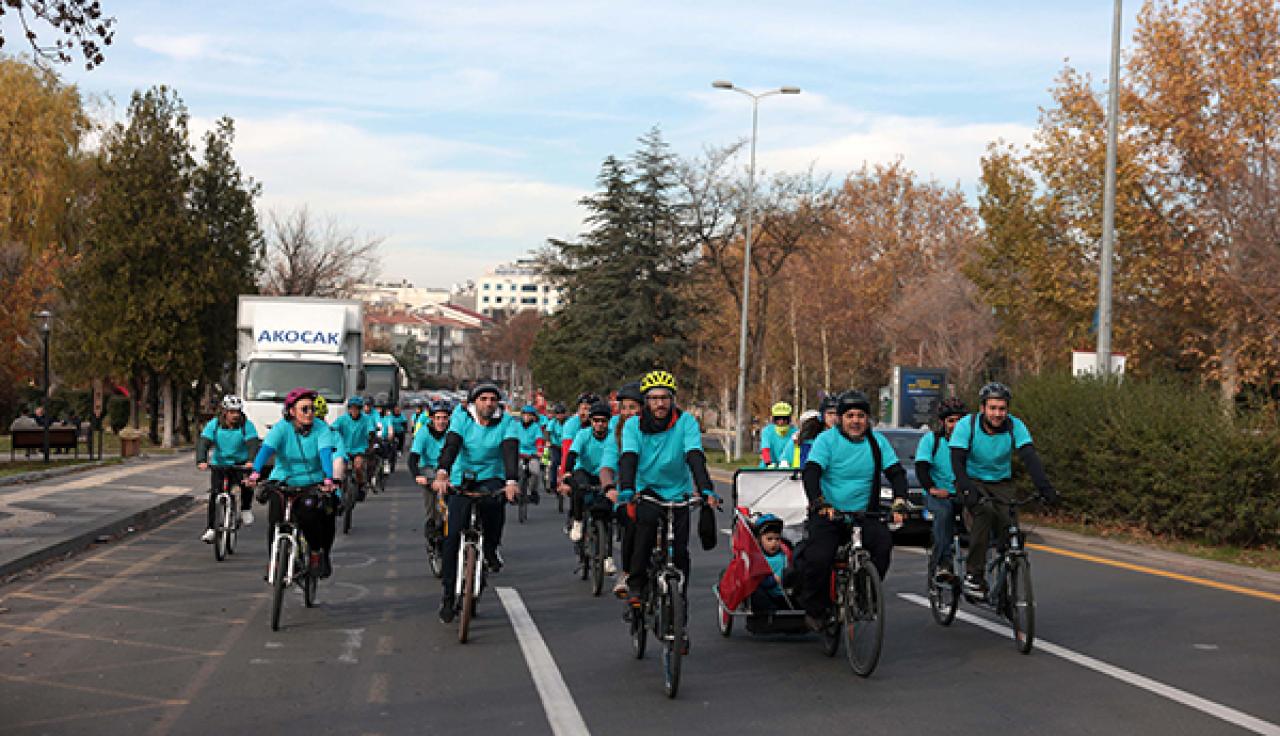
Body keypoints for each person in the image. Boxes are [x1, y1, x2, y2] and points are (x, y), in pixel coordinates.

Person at [614, 370, 720, 652]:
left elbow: (695, 455)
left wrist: (706, 488)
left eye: (665, 398)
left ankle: (678, 611)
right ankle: (636, 583)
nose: (660, 404)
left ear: (672, 400)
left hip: (678, 491)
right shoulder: (634, 426)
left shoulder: (685, 422)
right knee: (646, 525)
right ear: (645, 401)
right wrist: (626, 488)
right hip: (646, 488)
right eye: (653, 399)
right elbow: (628, 458)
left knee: (680, 552)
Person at [795, 390, 907, 630]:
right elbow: (812, 472)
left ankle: (867, 595)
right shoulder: (827, 440)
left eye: (861, 416)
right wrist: (819, 503)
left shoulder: (877, 443)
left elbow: (896, 473)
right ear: (840, 419)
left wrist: (900, 501)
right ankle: (816, 609)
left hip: (864, 513)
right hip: (830, 513)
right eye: (850, 416)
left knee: (882, 545)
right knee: (819, 557)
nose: (856, 421)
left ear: (868, 419)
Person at [950, 382, 1058, 598]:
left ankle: (1007, 586)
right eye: (992, 408)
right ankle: (974, 575)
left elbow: (1029, 457)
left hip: (1001, 482)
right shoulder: (966, 425)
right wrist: (967, 489)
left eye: (1002, 409)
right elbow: (957, 461)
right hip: (972, 480)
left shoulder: (1015, 426)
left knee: (1011, 530)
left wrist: (1046, 489)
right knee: (984, 511)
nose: (997, 414)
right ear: (982, 408)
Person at [430, 383, 520, 623]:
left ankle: (490, 548)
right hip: (461, 477)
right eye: (483, 399)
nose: (488, 403)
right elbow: (451, 447)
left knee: (494, 505)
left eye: (493, 399)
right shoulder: (462, 419)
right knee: (452, 538)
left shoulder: (507, 422)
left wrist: (511, 481)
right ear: (473, 402)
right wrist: (442, 474)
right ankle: (448, 596)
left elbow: (510, 451)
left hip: (492, 476)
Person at [245, 388, 339, 578]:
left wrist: (328, 478)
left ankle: (314, 554)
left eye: (312, 409)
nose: (310, 413)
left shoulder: (321, 428)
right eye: (304, 409)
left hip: (311, 482)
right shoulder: (281, 428)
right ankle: (276, 561)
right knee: (275, 519)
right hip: (282, 480)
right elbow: (266, 450)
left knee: (309, 516)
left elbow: (325, 453)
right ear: (291, 411)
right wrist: (255, 473)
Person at [915, 397, 967, 583]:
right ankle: (943, 563)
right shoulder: (931, 440)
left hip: (962, 493)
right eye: (951, 420)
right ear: (943, 422)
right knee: (944, 513)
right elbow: (921, 467)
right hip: (938, 494)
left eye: (959, 420)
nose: (955, 425)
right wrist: (932, 489)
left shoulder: (970, 442)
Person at [196, 395, 261, 543]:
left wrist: (251, 460)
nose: (235, 415)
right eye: (232, 412)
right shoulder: (214, 424)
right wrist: (201, 460)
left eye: (237, 412)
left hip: (240, 463)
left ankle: (245, 509)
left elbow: (252, 443)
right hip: (220, 463)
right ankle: (211, 528)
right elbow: (204, 442)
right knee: (215, 494)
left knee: (246, 485)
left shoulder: (246, 425)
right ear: (224, 411)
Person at [560, 401, 618, 555]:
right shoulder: (583, 434)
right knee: (579, 488)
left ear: (608, 422)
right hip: (584, 470)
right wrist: (566, 472)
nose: (599, 424)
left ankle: (607, 554)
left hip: (604, 474)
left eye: (603, 421)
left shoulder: (614, 436)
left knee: (607, 511)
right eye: (596, 420)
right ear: (591, 421)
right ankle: (578, 521)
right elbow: (572, 454)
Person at [610, 381, 644, 595]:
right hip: (629, 492)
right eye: (625, 408)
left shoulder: (654, 428)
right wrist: (609, 486)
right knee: (632, 524)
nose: (629, 412)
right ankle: (627, 573)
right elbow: (609, 461)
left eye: (633, 407)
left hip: (658, 491)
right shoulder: (617, 431)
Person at [410, 400, 452, 539]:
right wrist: (417, 476)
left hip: (449, 469)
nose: (441, 422)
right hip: (429, 469)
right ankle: (431, 523)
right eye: (438, 418)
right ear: (432, 419)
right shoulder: (423, 433)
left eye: (445, 418)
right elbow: (413, 458)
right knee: (432, 501)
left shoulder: (453, 433)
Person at [329, 396, 379, 494]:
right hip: (344, 449)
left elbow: (371, 431)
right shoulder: (342, 419)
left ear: (360, 409)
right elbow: (333, 428)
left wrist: (371, 443)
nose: (354, 410)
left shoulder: (366, 419)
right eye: (352, 408)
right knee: (339, 469)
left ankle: (361, 486)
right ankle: (338, 491)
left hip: (359, 448)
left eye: (357, 408)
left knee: (358, 467)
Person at [748, 514, 793, 615]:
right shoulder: (758, 558)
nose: (774, 543)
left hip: (783, 595)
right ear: (759, 539)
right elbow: (757, 579)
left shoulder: (784, 555)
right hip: (767, 595)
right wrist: (773, 580)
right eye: (769, 539)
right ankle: (769, 612)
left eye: (777, 539)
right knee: (755, 589)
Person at [513, 404, 546, 505]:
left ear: (533, 416)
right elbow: (512, 438)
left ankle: (533, 491)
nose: (526, 417)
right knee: (514, 471)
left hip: (532, 454)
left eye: (529, 415)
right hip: (518, 453)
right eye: (525, 414)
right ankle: (515, 492)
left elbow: (539, 440)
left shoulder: (536, 427)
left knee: (535, 471)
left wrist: (539, 451)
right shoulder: (516, 426)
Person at [760, 402, 796, 468]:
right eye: (778, 418)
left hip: (788, 468)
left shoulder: (795, 432)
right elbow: (765, 449)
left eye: (785, 418)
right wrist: (768, 463)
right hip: (768, 467)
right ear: (774, 419)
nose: (781, 421)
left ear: (789, 419)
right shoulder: (767, 431)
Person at [545, 402, 568, 486]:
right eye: (558, 414)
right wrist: (548, 441)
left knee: (567, 463)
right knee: (554, 462)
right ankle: (553, 482)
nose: (560, 416)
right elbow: (547, 432)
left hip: (566, 446)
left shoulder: (569, 422)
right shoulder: (553, 422)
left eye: (562, 413)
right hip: (555, 446)